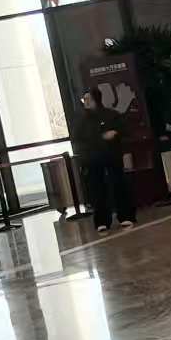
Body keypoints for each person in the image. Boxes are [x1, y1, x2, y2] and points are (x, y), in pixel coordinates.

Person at [73, 89, 137, 234]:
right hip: (93, 159)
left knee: (118, 185)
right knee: (97, 190)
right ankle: (102, 221)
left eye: (89, 99)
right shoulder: (82, 120)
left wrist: (115, 133)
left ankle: (125, 216)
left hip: (112, 156)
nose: (86, 102)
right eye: (84, 99)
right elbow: (78, 138)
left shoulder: (111, 115)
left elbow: (124, 130)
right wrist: (98, 140)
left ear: (96, 99)